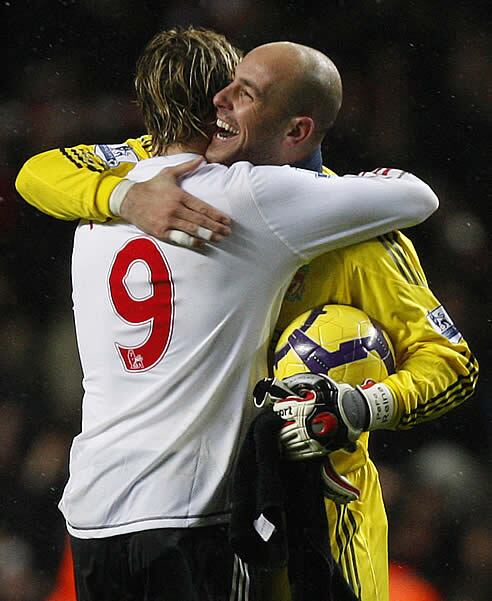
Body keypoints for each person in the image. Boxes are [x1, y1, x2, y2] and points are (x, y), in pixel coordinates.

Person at [16, 27, 439, 601]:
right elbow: (417, 197)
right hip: (196, 515)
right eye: (232, 88)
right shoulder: (257, 196)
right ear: (216, 100)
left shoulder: (95, 199)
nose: (230, 101)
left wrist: (121, 197)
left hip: (93, 512)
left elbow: (32, 172)